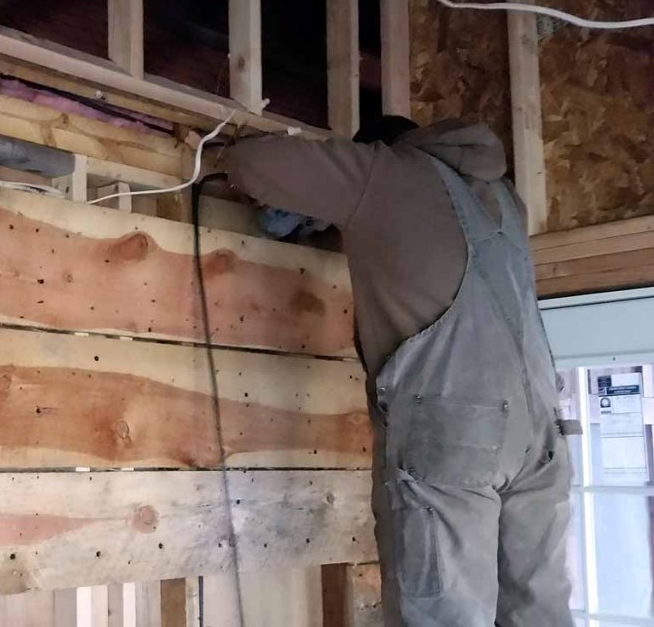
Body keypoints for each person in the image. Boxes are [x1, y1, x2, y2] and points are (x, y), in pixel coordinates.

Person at [221, 117, 576, 626]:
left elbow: (251, 164)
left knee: (444, 616)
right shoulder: (502, 199)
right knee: (539, 612)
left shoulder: (387, 174)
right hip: (542, 435)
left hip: (457, 433)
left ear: (377, 150)